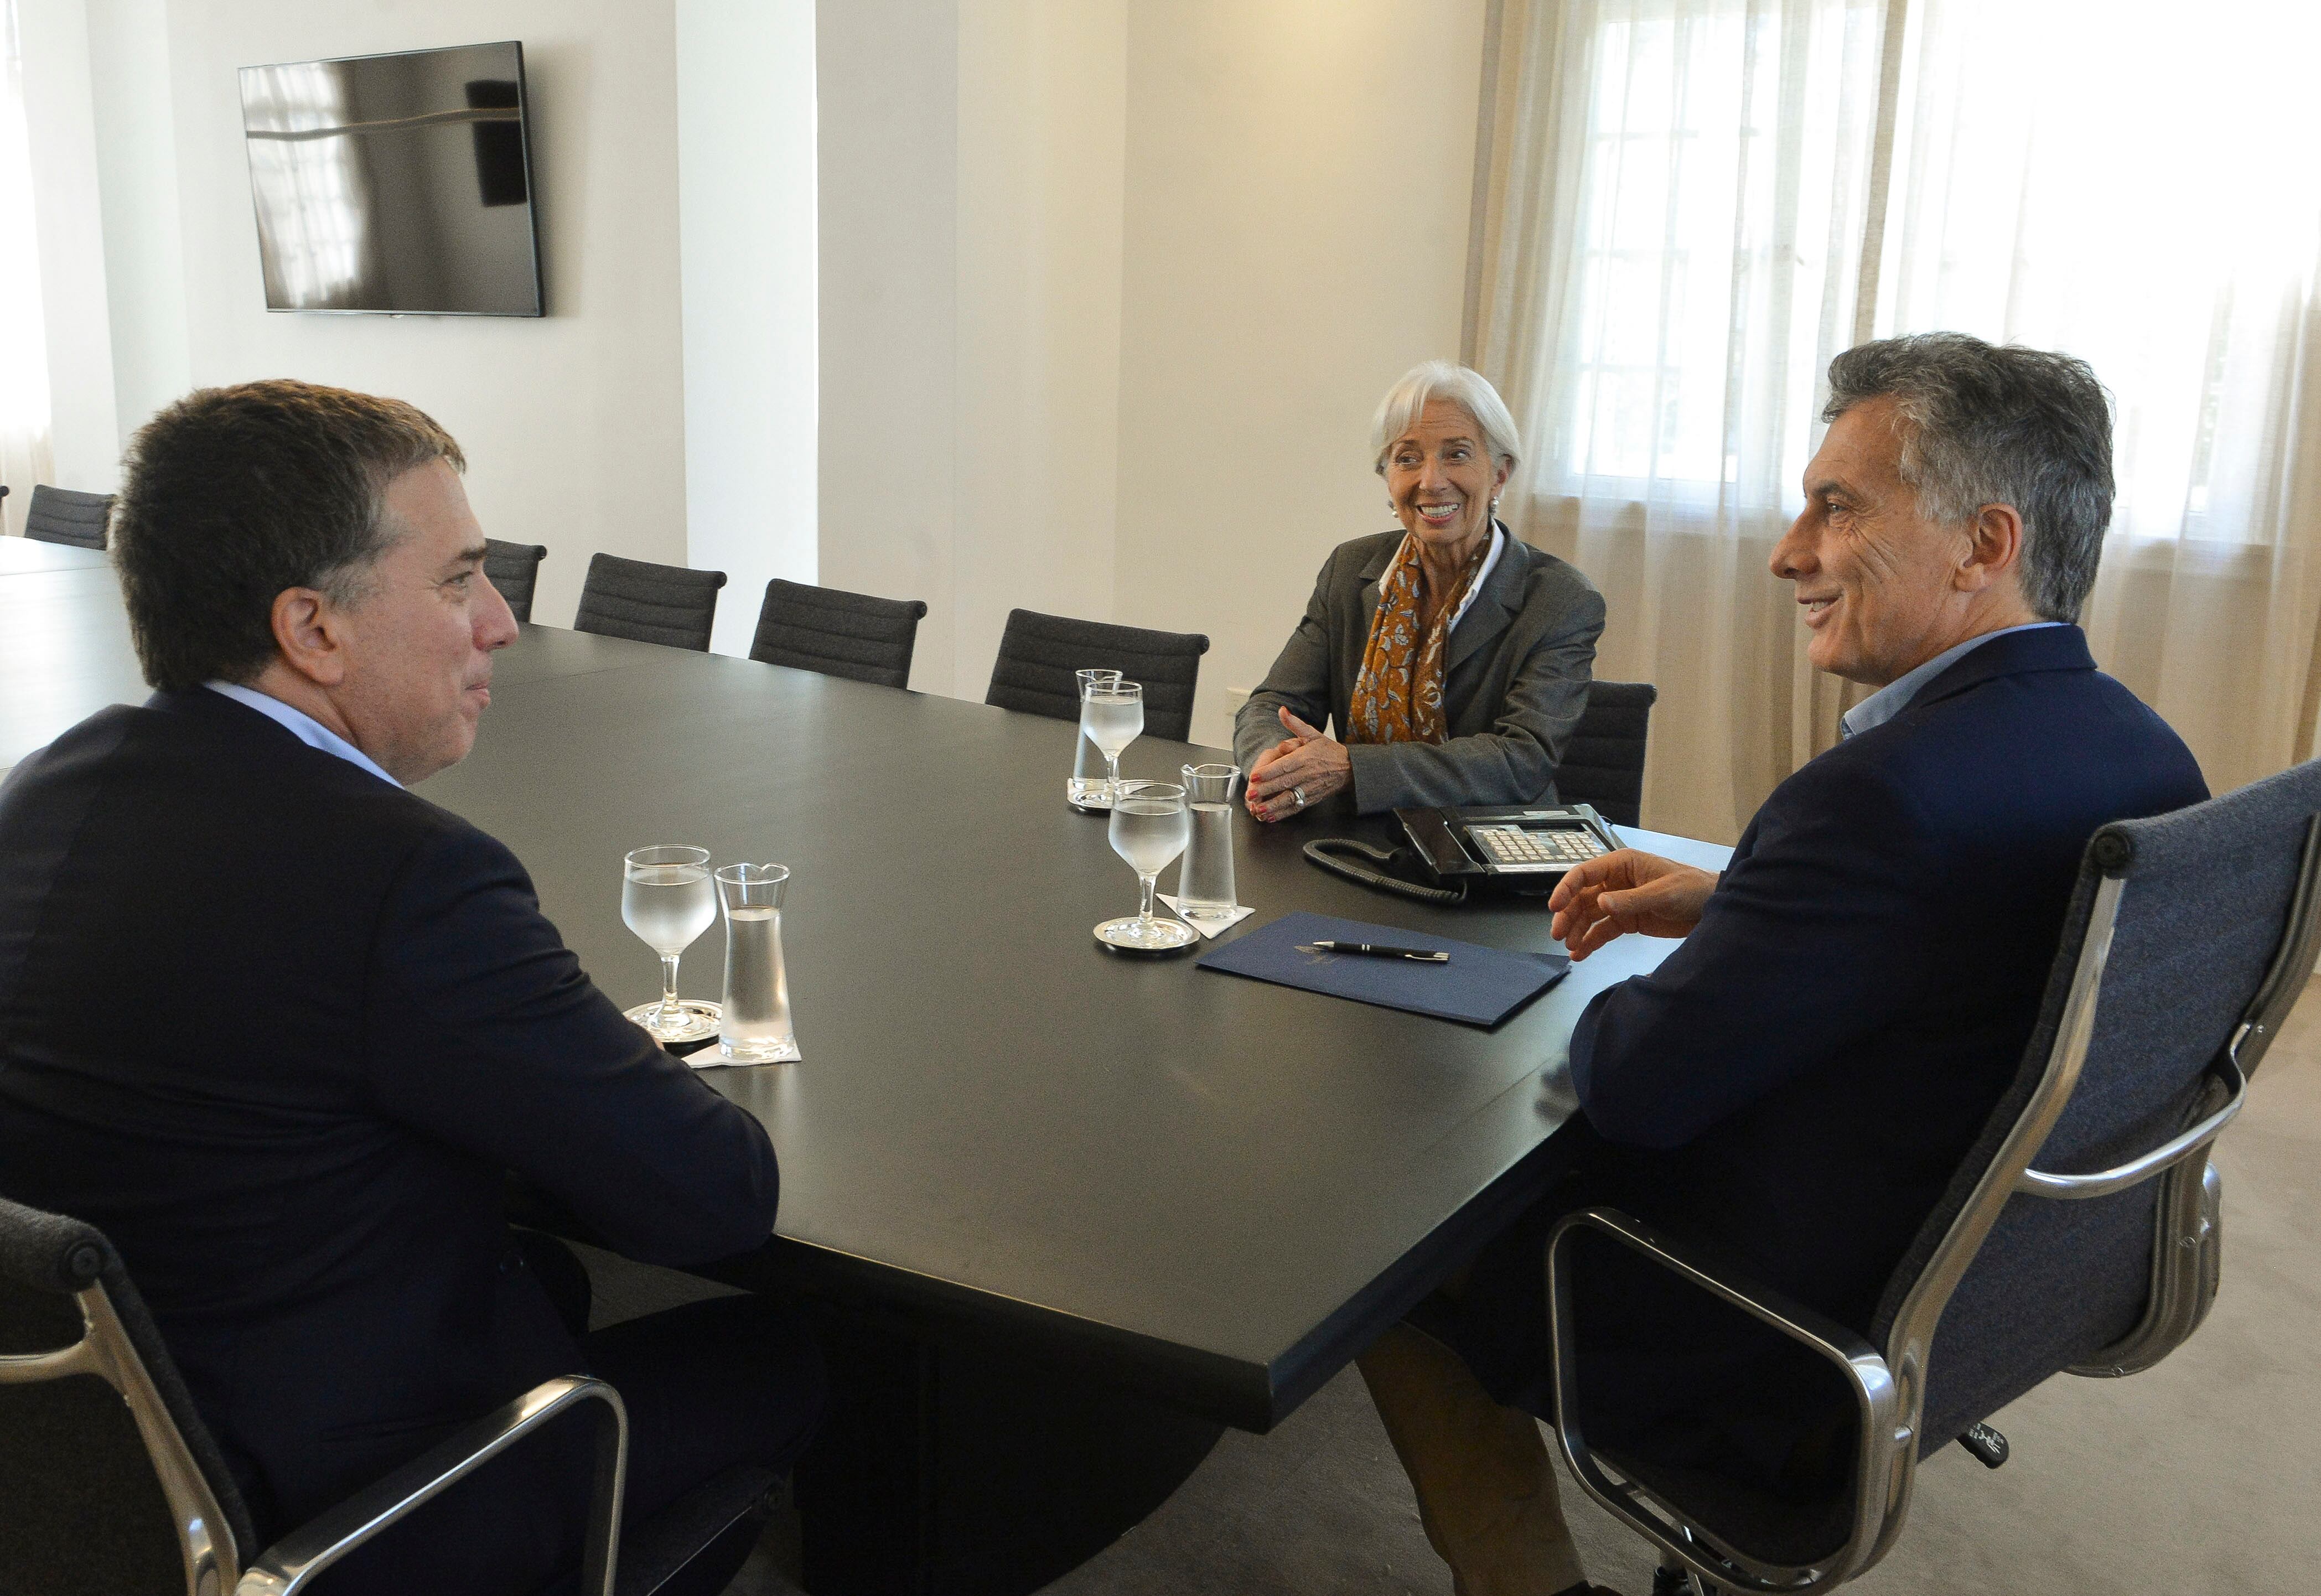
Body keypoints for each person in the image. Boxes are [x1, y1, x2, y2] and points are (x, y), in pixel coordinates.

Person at [1357, 334, 2209, 1596]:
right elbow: (1969, 926)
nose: (1785, 552)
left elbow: (1637, 1084)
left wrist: (1636, 978)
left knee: (1396, 1251)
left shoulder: (1875, 799)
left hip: (1775, 1319)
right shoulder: (2145, 757)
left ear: (1985, 545)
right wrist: (1743, 902)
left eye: (1837, 507)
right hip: (1989, 1288)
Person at [0, 381, 822, 1595]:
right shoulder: (404, 879)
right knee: (807, 1351)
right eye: (458, 579)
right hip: (341, 1519)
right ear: (313, 629)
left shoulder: (44, 789)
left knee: (549, 1273)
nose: (499, 622)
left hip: (98, 1479)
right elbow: (714, 1196)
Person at [1234, 360, 1604, 821]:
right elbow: (1272, 705)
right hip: (1359, 840)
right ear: (1387, 479)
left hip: (1488, 850)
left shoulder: (1561, 600)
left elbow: (1520, 760)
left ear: (1500, 474)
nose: (1431, 481)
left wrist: (1353, 769)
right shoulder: (1350, 570)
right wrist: (1273, 764)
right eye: (1408, 458)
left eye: (1457, 455)